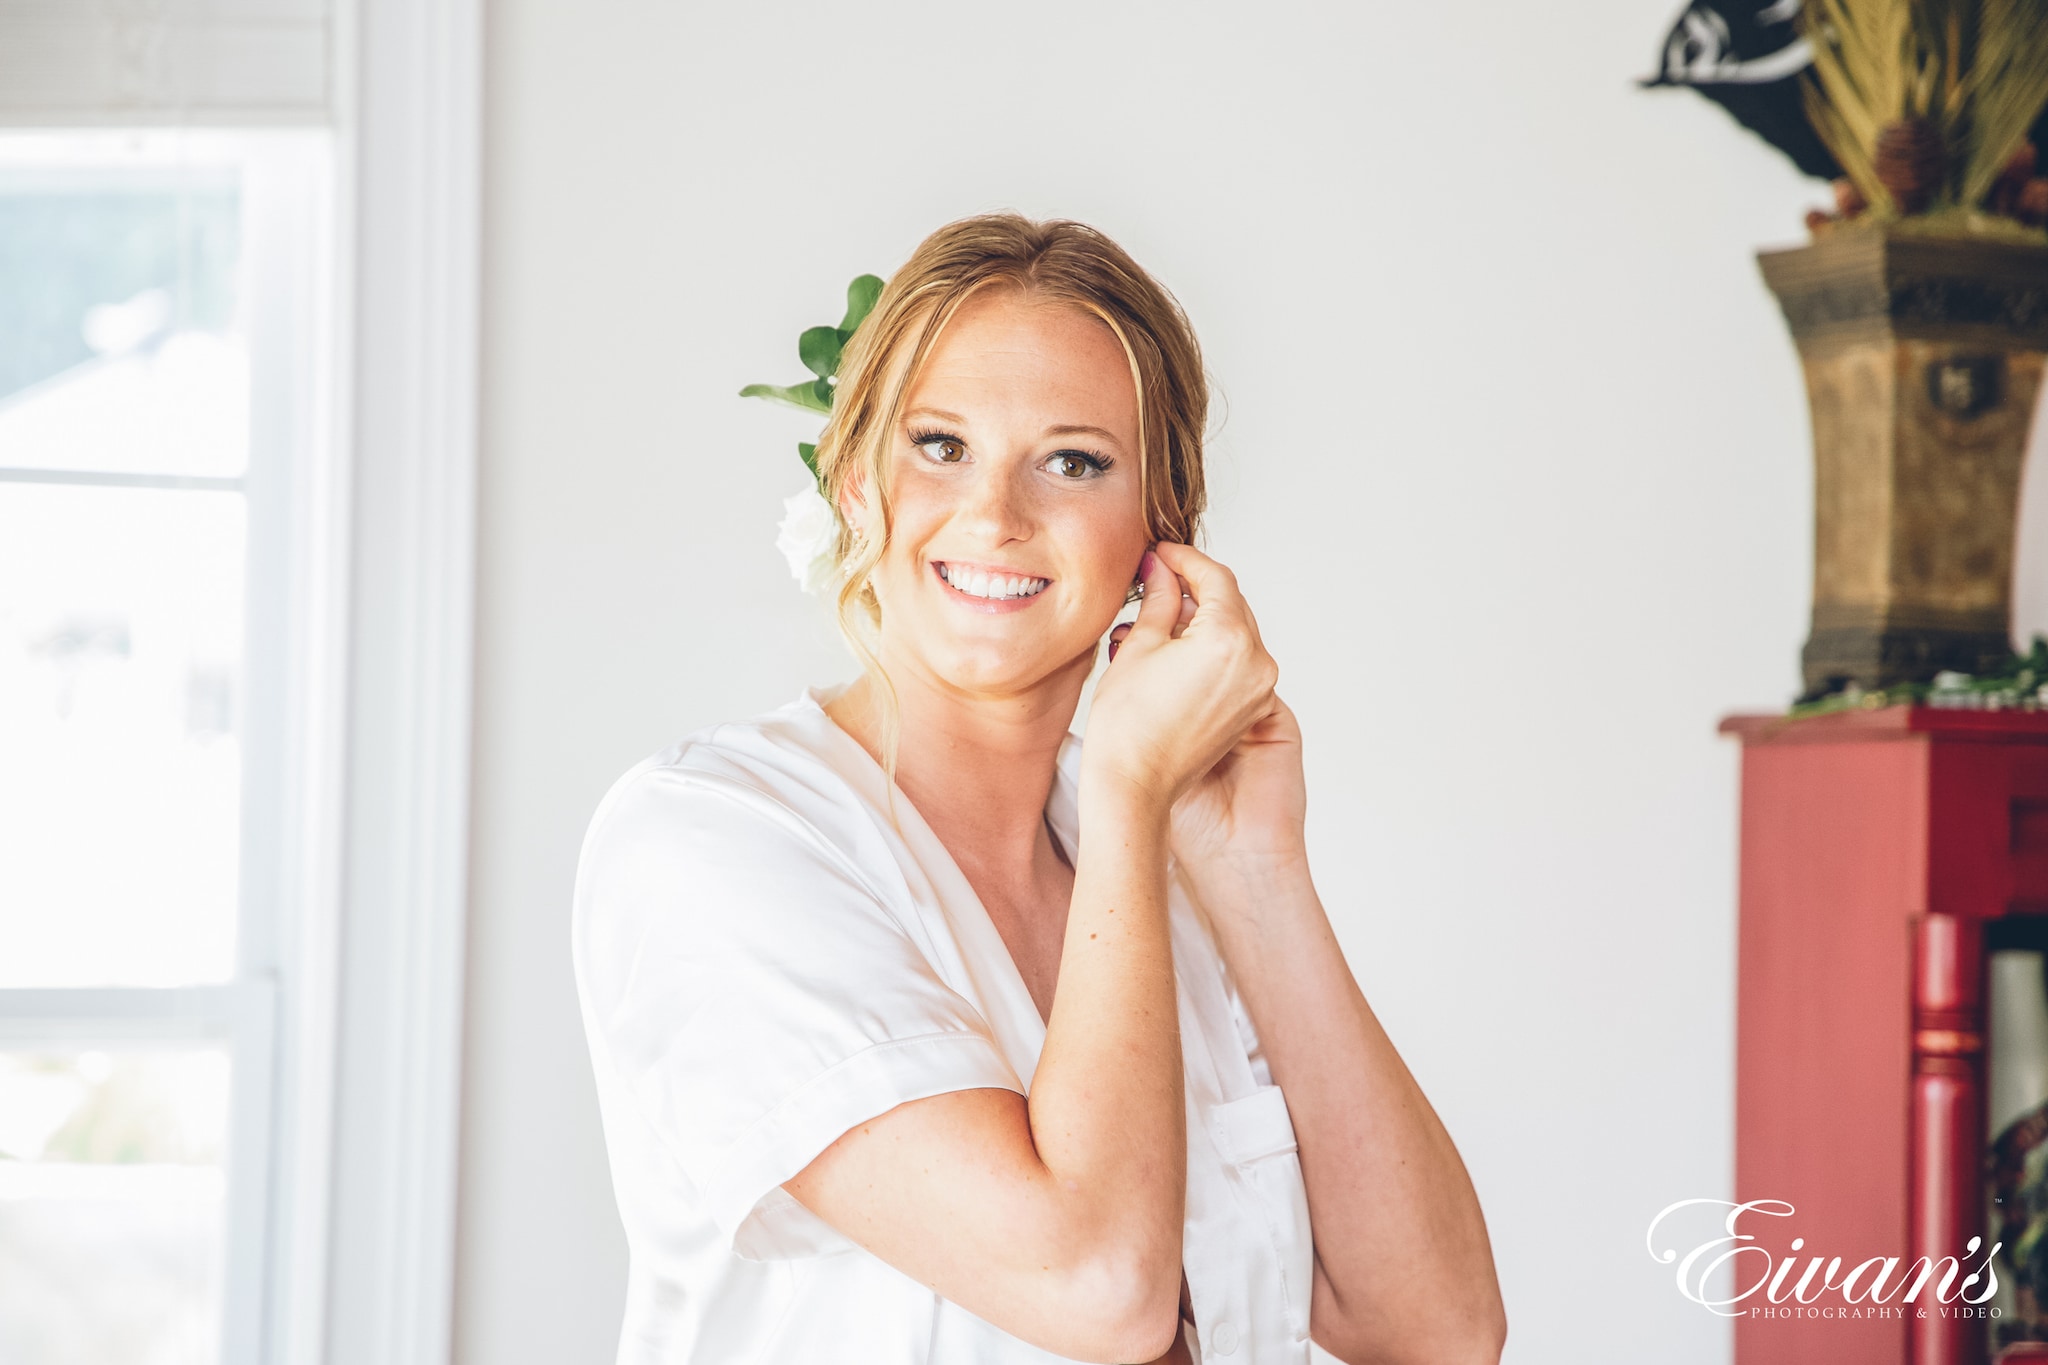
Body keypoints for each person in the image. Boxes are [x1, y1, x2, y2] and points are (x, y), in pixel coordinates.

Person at [571, 213, 1506, 1365]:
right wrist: (1126, 797)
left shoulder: (1166, 883)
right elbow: (1099, 1292)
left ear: (1160, 538)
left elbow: (1439, 1335)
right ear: (851, 480)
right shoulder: (712, 843)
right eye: (938, 444)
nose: (996, 516)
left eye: (1073, 460)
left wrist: (1256, 868)